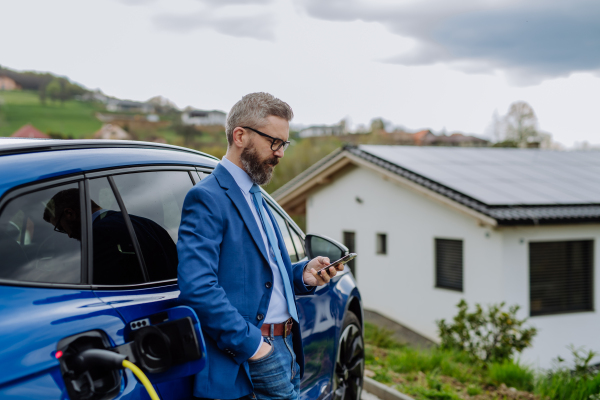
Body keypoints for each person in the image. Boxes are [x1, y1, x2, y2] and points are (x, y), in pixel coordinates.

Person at [177, 92, 343, 400]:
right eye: (274, 142)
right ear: (240, 136)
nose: (280, 153)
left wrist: (302, 275)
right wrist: (255, 347)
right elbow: (197, 287)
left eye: (284, 144)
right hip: (248, 356)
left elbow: (261, 277)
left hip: (285, 346)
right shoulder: (207, 198)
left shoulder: (256, 197)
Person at [43, 188, 177, 284]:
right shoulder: (147, 224)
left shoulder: (98, 236)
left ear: (69, 214)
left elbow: (105, 284)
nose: (69, 235)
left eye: (61, 228)